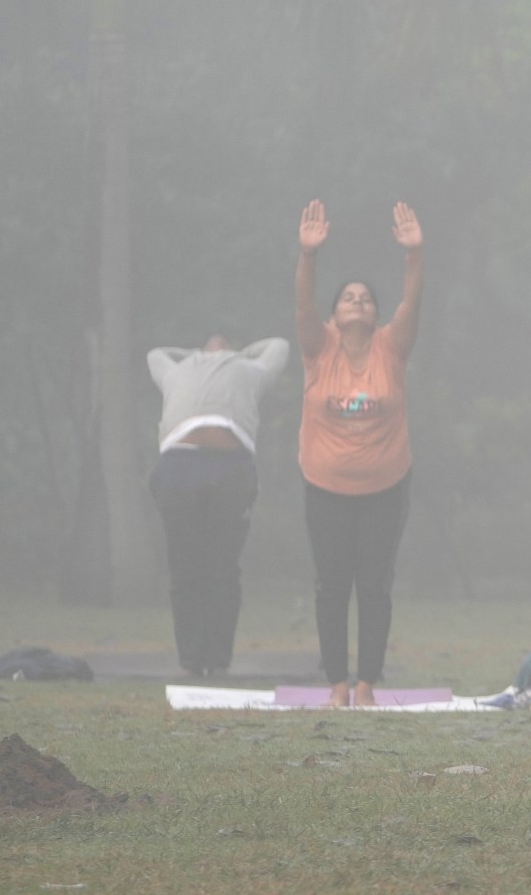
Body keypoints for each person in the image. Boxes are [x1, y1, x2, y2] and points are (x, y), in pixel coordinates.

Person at [293, 199, 424, 708]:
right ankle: (336, 685)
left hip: (386, 488)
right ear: (334, 313)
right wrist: (308, 256)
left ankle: (366, 684)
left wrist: (415, 257)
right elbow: (302, 306)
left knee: (374, 586)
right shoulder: (317, 347)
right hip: (324, 487)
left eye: (366, 297)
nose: (358, 302)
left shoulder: (392, 348)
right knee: (331, 587)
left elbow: (412, 306)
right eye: (348, 297)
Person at [145, 333, 289, 678]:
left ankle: (218, 660)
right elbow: (156, 352)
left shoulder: (249, 370)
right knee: (184, 566)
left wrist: (234, 354)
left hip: (231, 466)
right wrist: (197, 354)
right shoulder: (176, 373)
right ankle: (192, 660)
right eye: (212, 342)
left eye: (224, 342)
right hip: (179, 464)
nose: (217, 343)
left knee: (222, 567)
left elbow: (279, 345)